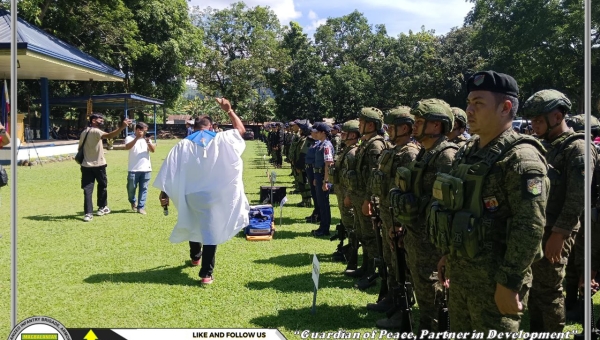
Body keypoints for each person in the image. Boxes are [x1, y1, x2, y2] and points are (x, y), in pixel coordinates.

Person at [432, 70, 548, 332]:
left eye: (479, 103)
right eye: (469, 103)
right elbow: (459, 209)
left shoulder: (521, 158)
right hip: (462, 275)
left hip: (495, 282)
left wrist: (508, 284)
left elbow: (529, 226)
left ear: (505, 107)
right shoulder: (468, 152)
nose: (469, 110)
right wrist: (448, 256)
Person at [522, 90, 596, 332]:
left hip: (556, 230)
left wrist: (559, 233)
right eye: (531, 121)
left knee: (550, 289)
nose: (533, 126)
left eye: (538, 120)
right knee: (534, 288)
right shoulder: (543, 146)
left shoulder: (577, 148)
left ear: (556, 116)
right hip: (537, 227)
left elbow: (578, 197)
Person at [153, 98, 249, 284]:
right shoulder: (222, 138)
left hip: (191, 195)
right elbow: (241, 131)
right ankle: (206, 274)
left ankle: (196, 256)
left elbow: (170, 171)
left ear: (194, 127)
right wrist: (229, 110)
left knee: (193, 221)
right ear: (212, 126)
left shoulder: (182, 144)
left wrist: (164, 193)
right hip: (214, 195)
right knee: (210, 231)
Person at [389, 98, 458, 332]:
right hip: (417, 234)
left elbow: (449, 206)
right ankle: (425, 328)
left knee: (434, 291)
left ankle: (434, 330)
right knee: (423, 289)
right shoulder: (426, 154)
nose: (414, 126)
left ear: (436, 126)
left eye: (420, 122)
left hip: (433, 241)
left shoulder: (446, 156)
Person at [368, 106, 421, 329]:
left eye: (392, 125)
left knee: (402, 265)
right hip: (388, 213)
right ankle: (392, 300)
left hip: (399, 217)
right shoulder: (393, 150)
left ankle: (403, 309)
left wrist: (400, 222)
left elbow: (408, 191)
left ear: (405, 128)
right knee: (392, 262)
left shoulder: (409, 153)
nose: (388, 129)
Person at [345, 107, 388, 290]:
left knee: (371, 238)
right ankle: (365, 267)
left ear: (371, 124)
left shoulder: (376, 145)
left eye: (362, 123)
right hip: (359, 195)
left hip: (367, 198)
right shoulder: (366, 143)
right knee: (363, 235)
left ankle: (373, 274)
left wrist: (369, 200)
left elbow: (374, 176)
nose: (359, 126)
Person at [79, 113, 130, 222]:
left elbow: (80, 148)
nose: (102, 121)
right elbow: (110, 136)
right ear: (93, 120)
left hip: (85, 165)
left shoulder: (84, 132)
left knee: (87, 190)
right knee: (102, 185)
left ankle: (88, 214)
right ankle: (102, 208)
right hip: (99, 165)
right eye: (99, 119)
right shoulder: (96, 131)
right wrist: (122, 127)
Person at [124, 122, 156, 215]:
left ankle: (141, 207)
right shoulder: (129, 138)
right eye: (143, 130)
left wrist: (147, 141)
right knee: (131, 188)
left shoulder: (147, 139)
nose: (144, 132)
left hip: (146, 168)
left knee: (144, 188)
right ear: (137, 130)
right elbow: (127, 147)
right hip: (133, 169)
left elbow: (153, 150)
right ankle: (133, 201)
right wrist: (137, 138)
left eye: (145, 130)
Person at [311, 122, 334, 236]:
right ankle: (322, 226)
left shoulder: (326, 145)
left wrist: (326, 181)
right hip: (319, 175)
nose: (316, 134)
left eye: (318, 132)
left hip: (323, 176)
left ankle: (325, 229)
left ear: (323, 133)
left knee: (324, 203)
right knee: (321, 203)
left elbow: (328, 164)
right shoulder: (321, 144)